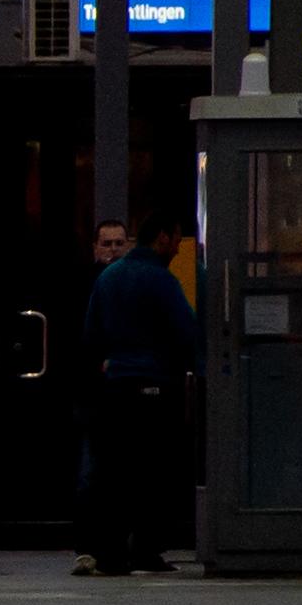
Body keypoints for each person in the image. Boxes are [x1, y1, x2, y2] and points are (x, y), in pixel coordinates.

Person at [79, 217, 199, 574]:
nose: (178, 246)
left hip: (116, 385)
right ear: (162, 237)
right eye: (176, 238)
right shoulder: (162, 281)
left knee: (115, 471)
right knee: (154, 472)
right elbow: (187, 333)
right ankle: (145, 548)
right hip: (154, 384)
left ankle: (111, 553)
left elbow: (91, 334)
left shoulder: (107, 278)